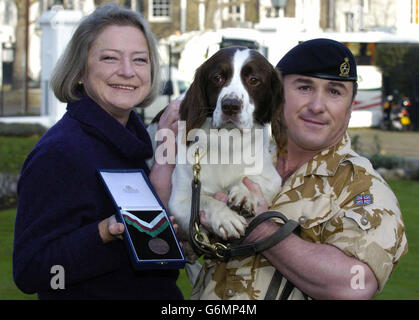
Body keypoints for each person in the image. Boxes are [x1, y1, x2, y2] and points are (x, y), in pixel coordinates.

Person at [191, 38, 408, 300]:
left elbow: (354, 286)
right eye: (304, 87)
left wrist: (261, 228)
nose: (317, 106)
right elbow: (192, 241)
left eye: (335, 92)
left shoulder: (361, 186)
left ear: (349, 108)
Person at [13, 4, 181, 299]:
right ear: (80, 71)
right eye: (109, 58)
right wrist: (103, 234)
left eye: (139, 60)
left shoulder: (139, 147)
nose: (127, 72)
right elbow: (32, 273)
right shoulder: (60, 152)